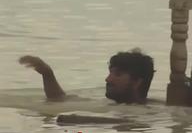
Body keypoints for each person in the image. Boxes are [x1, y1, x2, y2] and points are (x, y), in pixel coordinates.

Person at [19, 49, 155, 104]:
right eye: (110, 73)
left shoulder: (146, 114)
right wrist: (47, 74)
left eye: (118, 74)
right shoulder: (111, 107)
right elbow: (59, 99)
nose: (108, 79)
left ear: (137, 82)